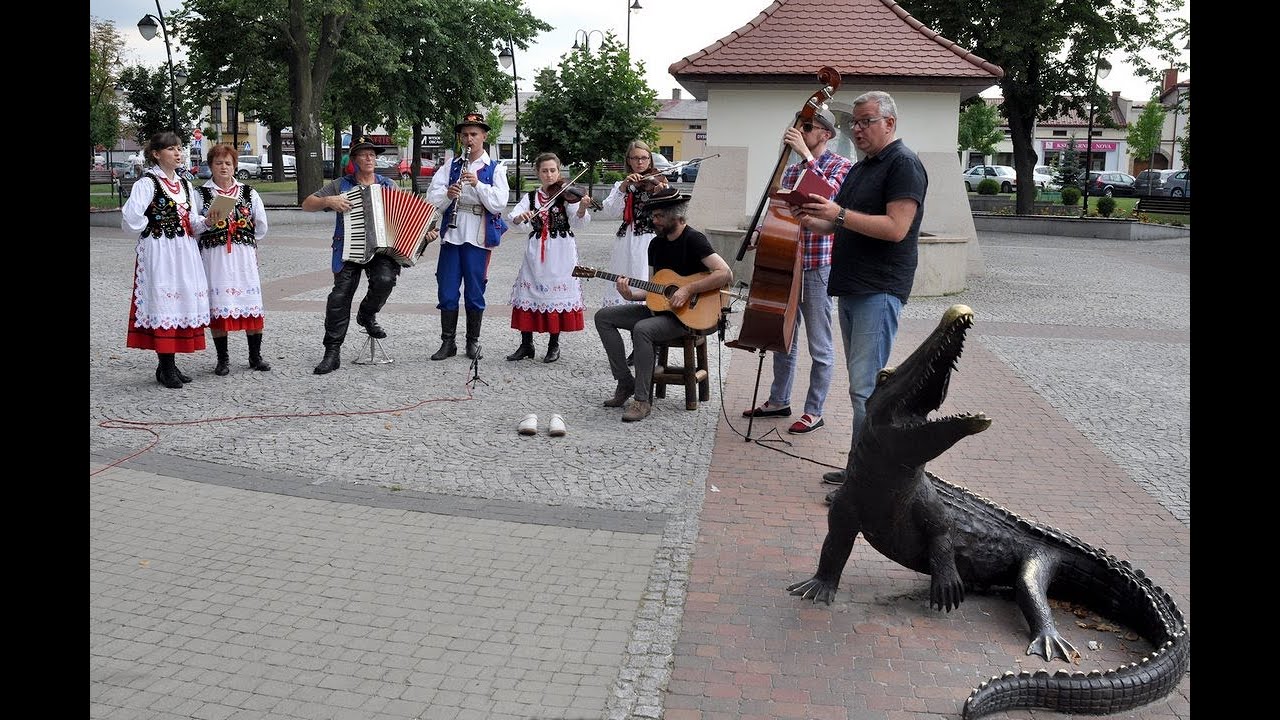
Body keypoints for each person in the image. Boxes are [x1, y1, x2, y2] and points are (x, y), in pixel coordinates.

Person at [793, 91, 928, 500]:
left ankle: (864, 483)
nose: (858, 128)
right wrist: (812, 219)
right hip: (852, 285)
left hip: (880, 287)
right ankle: (860, 467)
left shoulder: (903, 165)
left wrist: (839, 215)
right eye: (855, 122)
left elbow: (895, 228)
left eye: (866, 121)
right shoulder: (863, 167)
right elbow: (839, 225)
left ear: (890, 123)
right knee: (861, 387)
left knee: (867, 389)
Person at [740, 108, 854, 435]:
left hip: (818, 264)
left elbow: (829, 198)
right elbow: (779, 209)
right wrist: (762, 232)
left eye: (807, 127)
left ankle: (814, 410)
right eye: (799, 126)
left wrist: (805, 156)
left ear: (826, 134)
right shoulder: (790, 172)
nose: (799, 131)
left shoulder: (841, 167)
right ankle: (779, 400)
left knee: (820, 342)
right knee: (783, 334)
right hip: (787, 259)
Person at [594, 187, 733, 422]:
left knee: (643, 330)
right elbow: (656, 290)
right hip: (662, 310)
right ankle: (625, 381)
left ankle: (642, 400)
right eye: (653, 216)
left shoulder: (694, 239)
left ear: (676, 216)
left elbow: (725, 273)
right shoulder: (655, 245)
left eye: (659, 216)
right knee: (603, 317)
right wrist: (630, 295)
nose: (653, 220)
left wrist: (688, 289)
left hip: (689, 316)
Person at [302, 136, 402, 375]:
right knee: (339, 296)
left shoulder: (388, 185)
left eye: (372, 154)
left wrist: (425, 234)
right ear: (354, 159)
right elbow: (307, 203)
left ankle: (366, 314)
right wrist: (328, 201)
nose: (369, 158)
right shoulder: (340, 185)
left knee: (385, 280)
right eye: (363, 154)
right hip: (349, 247)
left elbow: (405, 216)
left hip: (380, 249)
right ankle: (332, 352)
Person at [121, 131, 211, 389]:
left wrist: (207, 221)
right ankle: (167, 366)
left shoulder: (184, 185)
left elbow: (192, 221)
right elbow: (130, 218)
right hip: (160, 251)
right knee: (164, 303)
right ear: (156, 154)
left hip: (184, 250)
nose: (178, 153)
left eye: (180, 148)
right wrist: (154, 223)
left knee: (179, 302)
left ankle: (167, 366)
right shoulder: (147, 183)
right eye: (171, 149)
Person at [426, 111, 510, 361]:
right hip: (452, 235)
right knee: (447, 289)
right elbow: (432, 198)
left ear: (484, 136)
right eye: (465, 135)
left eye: (474, 134)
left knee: (475, 290)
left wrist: (477, 184)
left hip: (478, 235)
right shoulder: (450, 166)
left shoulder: (495, 168)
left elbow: (499, 203)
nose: (469, 139)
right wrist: (447, 195)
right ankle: (447, 342)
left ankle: (472, 342)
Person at [505, 153, 590, 363]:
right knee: (529, 291)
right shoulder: (530, 197)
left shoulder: (566, 195)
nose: (549, 175)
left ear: (559, 172)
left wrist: (581, 208)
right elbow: (514, 220)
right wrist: (519, 217)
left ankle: (554, 345)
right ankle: (526, 345)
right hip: (536, 252)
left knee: (555, 296)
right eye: (545, 171)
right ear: (538, 173)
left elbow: (579, 223)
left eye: (553, 170)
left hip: (560, 252)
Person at [196, 143, 271, 375]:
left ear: (235, 166)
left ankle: (255, 356)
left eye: (228, 163)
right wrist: (208, 222)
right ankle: (223, 359)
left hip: (243, 256)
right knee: (219, 305)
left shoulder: (248, 192)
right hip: (215, 256)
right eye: (218, 163)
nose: (224, 167)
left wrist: (243, 237)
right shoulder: (201, 193)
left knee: (250, 303)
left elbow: (261, 225)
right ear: (211, 166)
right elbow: (194, 225)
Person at [598, 140, 668, 308]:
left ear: (650, 160)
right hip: (627, 239)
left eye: (644, 158)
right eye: (635, 158)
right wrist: (623, 187)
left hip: (652, 238)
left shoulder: (660, 182)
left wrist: (661, 194)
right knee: (626, 273)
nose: (640, 162)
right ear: (628, 160)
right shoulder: (623, 185)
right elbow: (610, 211)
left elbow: (672, 214)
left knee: (646, 274)